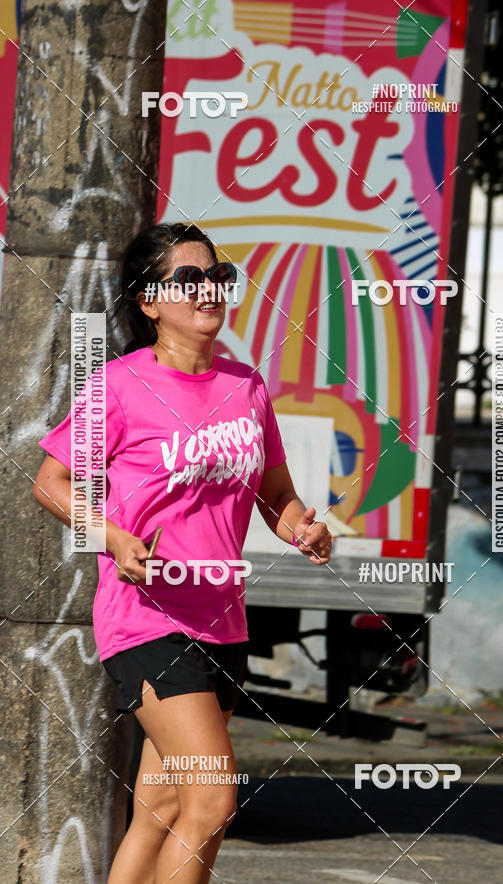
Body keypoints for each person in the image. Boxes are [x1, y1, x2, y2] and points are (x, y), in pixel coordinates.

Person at [32, 222, 333, 884]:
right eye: (188, 279)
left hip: (222, 620)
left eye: (217, 275)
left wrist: (303, 528)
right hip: (147, 620)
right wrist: (114, 536)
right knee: (211, 801)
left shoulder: (247, 387)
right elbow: (52, 482)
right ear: (149, 301)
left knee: (162, 809)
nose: (208, 289)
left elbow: (275, 494)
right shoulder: (120, 385)